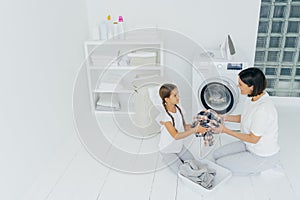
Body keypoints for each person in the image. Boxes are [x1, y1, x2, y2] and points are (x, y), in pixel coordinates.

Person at [212, 67, 280, 175]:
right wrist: (223, 117)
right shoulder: (251, 98)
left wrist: (225, 130)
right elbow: (245, 117)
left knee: (221, 164)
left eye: (241, 84)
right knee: (216, 155)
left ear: (251, 87)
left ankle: (263, 167)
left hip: (261, 155)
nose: (238, 86)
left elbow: (253, 139)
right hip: (248, 145)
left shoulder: (263, 110)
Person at [158, 83, 208, 172]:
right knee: (183, 172)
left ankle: (174, 159)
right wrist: (195, 130)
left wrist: (198, 125)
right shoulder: (165, 117)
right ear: (167, 99)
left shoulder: (178, 108)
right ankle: (166, 158)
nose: (178, 97)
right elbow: (176, 136)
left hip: (178, 147)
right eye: (175, 95)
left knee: (195, 165)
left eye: (178, 94)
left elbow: (185, 127)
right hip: (167, 149)